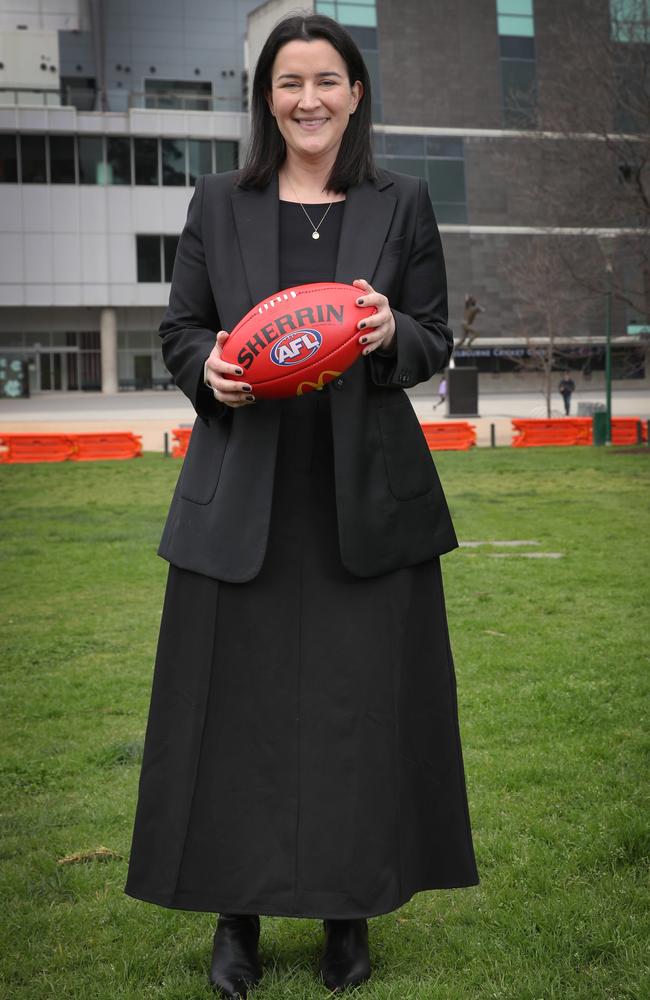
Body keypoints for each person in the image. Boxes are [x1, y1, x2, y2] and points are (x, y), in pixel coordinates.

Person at [125, 13, 478, 998]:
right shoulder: (215, 203)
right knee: (234, 715)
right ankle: (233, 922)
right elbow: (182, 332)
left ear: (355, 93)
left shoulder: (400, 202)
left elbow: (432, 338)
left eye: (327, 79)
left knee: (350, 714)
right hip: (242, 493)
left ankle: (346, 914)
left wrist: (384, 330)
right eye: (289, 82)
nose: (309, 98)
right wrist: (213, 376)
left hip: (363, 501)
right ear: (265, 99)